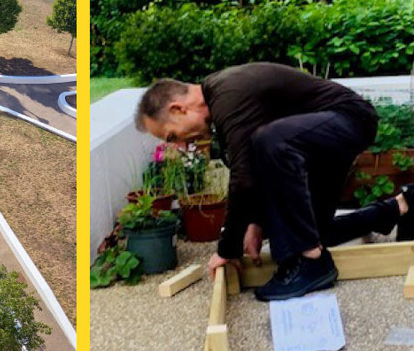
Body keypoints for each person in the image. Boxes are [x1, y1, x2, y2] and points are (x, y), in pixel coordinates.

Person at [135, 62, 414, 301]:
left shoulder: (227, 94)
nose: (181, 146)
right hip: (320, 137)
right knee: (310, 234)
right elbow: (253, 170)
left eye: (172, 137)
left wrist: (227, 249)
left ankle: (313, 262)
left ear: (178, 109)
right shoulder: (222, 101)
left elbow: (243, 178)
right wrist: (255, 223)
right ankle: (401, 206)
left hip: (350, 118)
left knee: (271, 141)